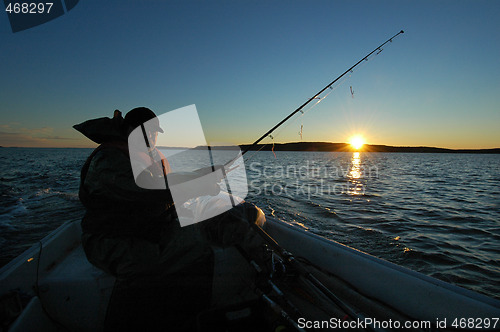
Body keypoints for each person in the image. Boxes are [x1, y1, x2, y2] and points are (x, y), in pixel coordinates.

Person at [74, 107, 267, 332]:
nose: (151, 137)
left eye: (154, 132)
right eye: (144, 132)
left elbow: (170, 180)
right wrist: (197, 185)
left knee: (214, 233)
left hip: (150, 230)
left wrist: (203, 173)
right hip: (113, 241)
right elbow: (146, 189)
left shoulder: (148, 155)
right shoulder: (109, 159)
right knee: (183, 253)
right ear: (128, 130)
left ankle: (197, 313)